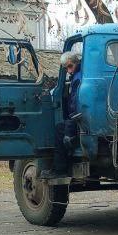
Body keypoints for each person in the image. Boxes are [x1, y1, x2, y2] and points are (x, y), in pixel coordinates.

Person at [51, 49, 82, 178]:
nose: (69, 71)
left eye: (70, 66)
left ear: (76, 63)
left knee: (60, 129)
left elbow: (75, 104)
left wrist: (71, 123)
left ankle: (60, 170)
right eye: (66, 68)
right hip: (81, 118)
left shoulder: (77, 79)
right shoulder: (79, 75)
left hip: (79, 119)